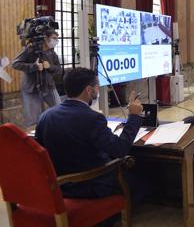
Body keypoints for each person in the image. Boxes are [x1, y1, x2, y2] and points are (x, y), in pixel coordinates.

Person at [35, 68, 144, 199]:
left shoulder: (45, 116)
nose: (97, 90)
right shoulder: (92, 118)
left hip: (57, 186)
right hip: (89, 185)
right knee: (141, 179)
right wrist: (134, 116)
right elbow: (120, 149)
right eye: (97, 86)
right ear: (89, 90)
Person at [12, 30, 62, 127]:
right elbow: (15, 64)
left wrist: (50, 67)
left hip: (49, 87)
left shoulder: (51, 52)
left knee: (59, 111)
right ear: (45, 38)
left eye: (57, 39)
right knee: (32, 120)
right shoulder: (30, 50)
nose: (56, 41)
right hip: (31, 88)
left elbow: (58, 69)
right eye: (54, 38)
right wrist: (34, 67)